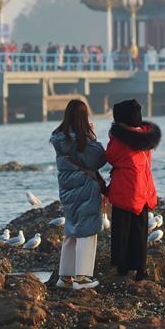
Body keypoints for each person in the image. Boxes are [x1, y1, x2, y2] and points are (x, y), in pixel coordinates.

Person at [50, 99, 107, 291]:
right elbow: (98, 158)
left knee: (71, 230)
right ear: (84, 117)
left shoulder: (59, 138)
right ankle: (82, 279)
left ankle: (64, 276)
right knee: (87, 232)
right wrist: (92, 135)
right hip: (85, 189)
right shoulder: (82, 139)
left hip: (67, 190)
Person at [106, 99, 161, 281]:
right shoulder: (146, 138)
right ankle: (141, 270)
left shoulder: (120, 138)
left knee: (122, 230)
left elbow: (111, 156)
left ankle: (122, 268)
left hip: (125, 188)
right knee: (140, 230)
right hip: (144, 188)